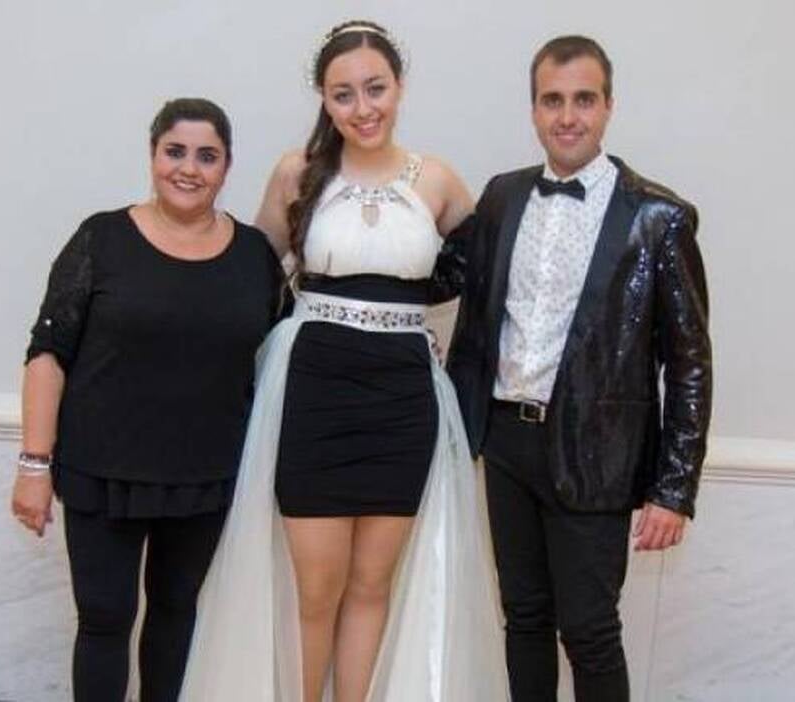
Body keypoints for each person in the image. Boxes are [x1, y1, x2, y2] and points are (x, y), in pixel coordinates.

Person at [178, 20, 508, 702]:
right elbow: (252, 279)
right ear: (324, 100)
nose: (363, 108)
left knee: (370, 587)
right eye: (343, 94)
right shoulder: (297, 173)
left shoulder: (439, 181)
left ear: (400, 87)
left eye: (375, 88)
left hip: (403, 400)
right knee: (317, 590)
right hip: (315, 391)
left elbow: (483, 281)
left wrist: (430, 336)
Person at [444, 35, 712, 702]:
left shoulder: (658, 218)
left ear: (609, 106)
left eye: (584, 100)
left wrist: (674, 488)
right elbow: (456, 292)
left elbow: (690, 364)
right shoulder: (502, 197)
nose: (568, 117)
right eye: (552, 100)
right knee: (524, 619)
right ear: (534, 109)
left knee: (589, 631)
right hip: (505, 442)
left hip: (598, 454)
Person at [10, 98, 284, 702]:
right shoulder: (102, 238)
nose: (189, 168)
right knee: (105, 619)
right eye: (175, 151)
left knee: (176, 613)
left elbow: (283, 349)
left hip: (205, 476)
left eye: (207, 156)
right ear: (153, 154)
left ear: (227, 166)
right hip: (101, 470)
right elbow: (47, 354)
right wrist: (33, 464)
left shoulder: (254, 257)